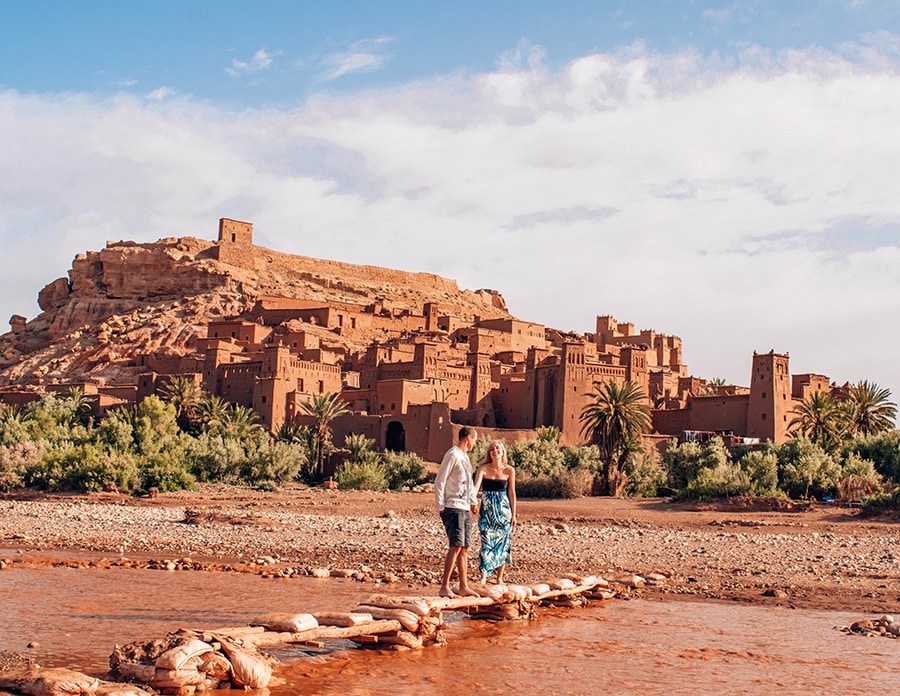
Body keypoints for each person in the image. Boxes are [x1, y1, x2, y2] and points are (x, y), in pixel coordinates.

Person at [434, 426, 480, 598]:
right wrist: (440, 506)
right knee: (456, 546)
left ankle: (463, 586)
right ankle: (444, 586)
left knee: (465, 548)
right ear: (468, 438)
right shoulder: (452, 455)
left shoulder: (465, 458)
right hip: (452, 506)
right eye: (475, 440)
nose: (475, 443)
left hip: (464, 507)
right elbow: (440, 480)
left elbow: (468, 483)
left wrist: (474, 502)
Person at [473, 440, 517, 584]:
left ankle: (499, 578)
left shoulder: (509, 470)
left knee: (503, 544)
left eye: (497, 448)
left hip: (504, 513)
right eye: (492, 449)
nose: (495, 451)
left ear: (502, 451)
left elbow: (511, 493)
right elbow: (476, 488)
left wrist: (514, 514)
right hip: (487, 512)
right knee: (486, 542)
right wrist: (472, 501)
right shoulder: (483, 469)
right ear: (489, 453)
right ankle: (484, 576)